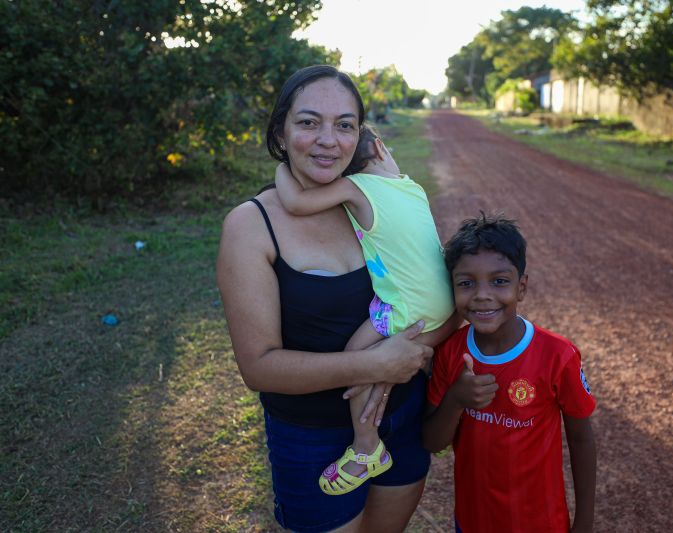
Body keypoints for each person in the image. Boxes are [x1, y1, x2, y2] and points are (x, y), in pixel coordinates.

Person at [216, 65, 452, 532]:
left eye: (344, 125)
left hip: (403, 420)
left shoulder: (375, 201)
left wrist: (414, 351)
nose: (328, 139)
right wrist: (373, 366)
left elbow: (435, 297)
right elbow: (258, 367)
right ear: (281, 134)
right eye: (308, 122)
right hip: (311, 437)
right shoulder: (250, 225)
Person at [274, 123, 457, 496]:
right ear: (380, 148)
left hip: (407, 307)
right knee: (382, 363)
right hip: (445, 303)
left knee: (357, 356)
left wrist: (283, 166)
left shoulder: (354, 188)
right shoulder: (412, 187)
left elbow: (295, 202)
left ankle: (366, 445)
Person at [422, 213, 597, 533]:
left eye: (499, 281)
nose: (482, 295)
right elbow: (433, 442)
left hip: (540, 523)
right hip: (473, 521)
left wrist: (584, 520)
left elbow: (581, 437)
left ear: (522, 287)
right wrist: (456, 399)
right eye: (466, 283)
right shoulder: (450, 351)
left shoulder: (557, 354)